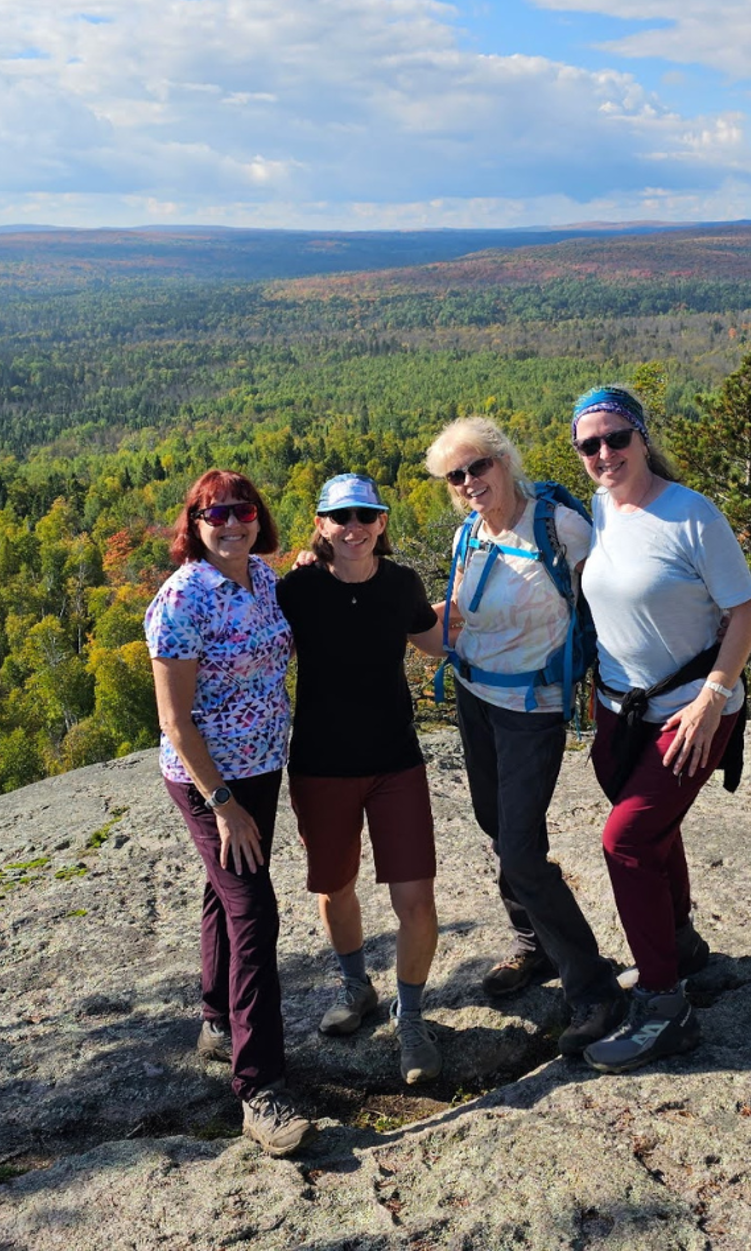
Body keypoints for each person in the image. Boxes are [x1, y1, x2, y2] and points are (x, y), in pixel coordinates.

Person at [569, 385, 751, 1074]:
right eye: (588, 444)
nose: (603, 453)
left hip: (691, 710)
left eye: (615, 438)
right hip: (623, 711)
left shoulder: (690, 514)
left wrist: (715, 696)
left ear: (643, 437)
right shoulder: (595, 509)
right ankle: (679, 948)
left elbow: (747, 609)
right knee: (652, 832)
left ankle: (663, 1006)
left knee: (625, 839)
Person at [424, 417, 627, 1056]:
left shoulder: (559, 529)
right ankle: (533, 945)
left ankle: (593, 987)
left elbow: (614, 601)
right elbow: (456, 615)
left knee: (518, 849)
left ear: (504, 460)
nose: (468, 482)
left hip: (532, 706)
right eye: (456, 476)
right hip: (475, 696)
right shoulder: (469, 535)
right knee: (498, 825)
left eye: (477, 467)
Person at [145, 469, 313, 1157]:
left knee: (227, 890)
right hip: (208, 777)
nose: (231, 522)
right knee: (252, 908)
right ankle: (260, 1088)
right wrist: (221, 805)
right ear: (195, 522)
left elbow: (286, 638)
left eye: (242, 510)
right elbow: (174, 720)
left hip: (262, 763)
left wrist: (314, 562)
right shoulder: (182, 598)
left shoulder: (264, 578)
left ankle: (217, 1020)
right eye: (215, 513)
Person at [277, 473, 447, 1087]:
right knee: (334, 887)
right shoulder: (296, 589)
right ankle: (357, 988)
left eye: (366, 515)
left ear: (381, 523)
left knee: (416, 901)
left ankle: (413, 1017)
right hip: (322, 765)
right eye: (340, 516)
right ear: (320, 524)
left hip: (396, 762)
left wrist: (504, 596)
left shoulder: (401, 583)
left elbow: (433, 641)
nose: (355, 527)